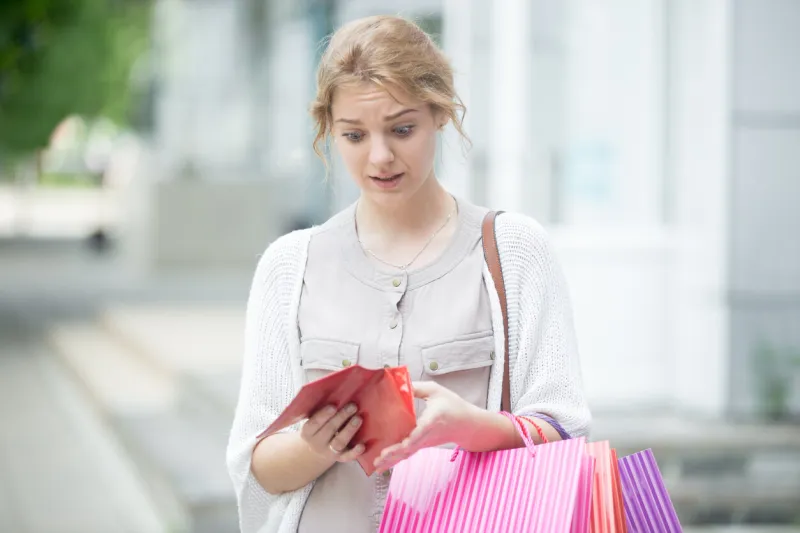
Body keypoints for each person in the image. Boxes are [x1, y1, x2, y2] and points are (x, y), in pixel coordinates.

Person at [226, 14, 591, 533]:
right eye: (354, 135)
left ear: (440, 113)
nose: (380, 157)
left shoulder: (515, 250)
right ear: (329, 129)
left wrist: (472, 427)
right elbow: (255, 464)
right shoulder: (289, 267)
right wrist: (315, 445)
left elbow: (566, 428)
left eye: (402, 129)